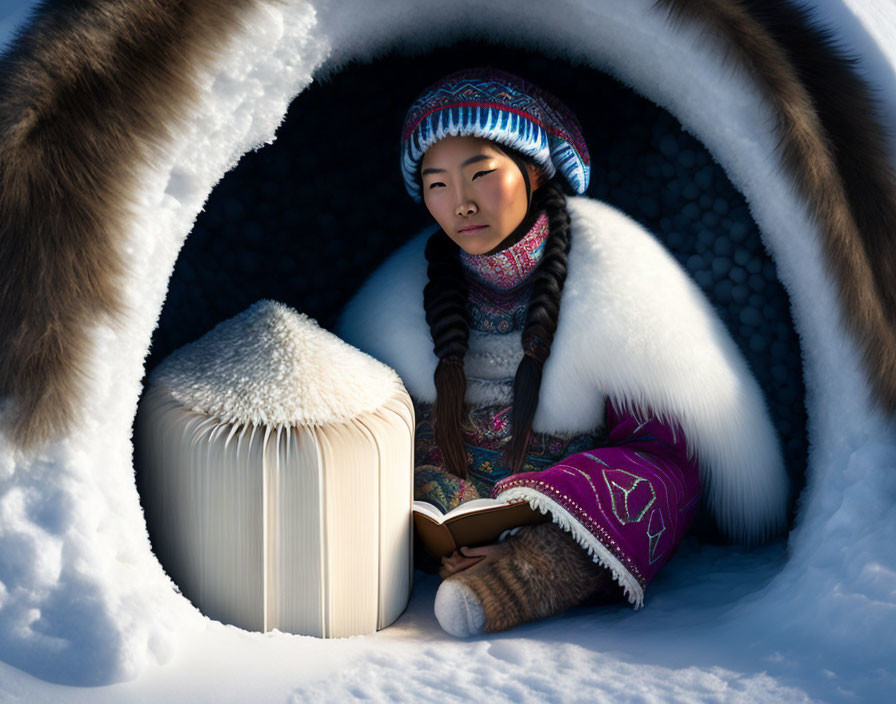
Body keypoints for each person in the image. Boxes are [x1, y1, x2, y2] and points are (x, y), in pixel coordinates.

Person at [339, 68, 788, 636]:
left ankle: (530, 572)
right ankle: (457, 555)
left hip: (566, 494)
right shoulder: (402, 292)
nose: (462, 204)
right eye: (438, 184)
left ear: (533, 172)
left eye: (481, 174)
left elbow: (658, 442)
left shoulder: (614, 271)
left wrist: (544, 517)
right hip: (451, 486)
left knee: (649, 484)